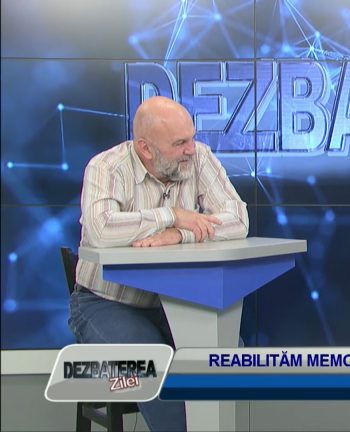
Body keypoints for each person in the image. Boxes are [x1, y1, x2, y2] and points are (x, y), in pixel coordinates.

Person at [68, 96, 249, 431]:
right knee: (152, 363)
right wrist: (171, 215)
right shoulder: (106, 167)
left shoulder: (199, 157)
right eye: (179, 143)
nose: (191, 149)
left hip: (175, 303)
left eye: (192, 138)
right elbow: (102, 230)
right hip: (107, 302)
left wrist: (180, 234)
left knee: (225, 353)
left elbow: (238, 219)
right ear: (145, 148)